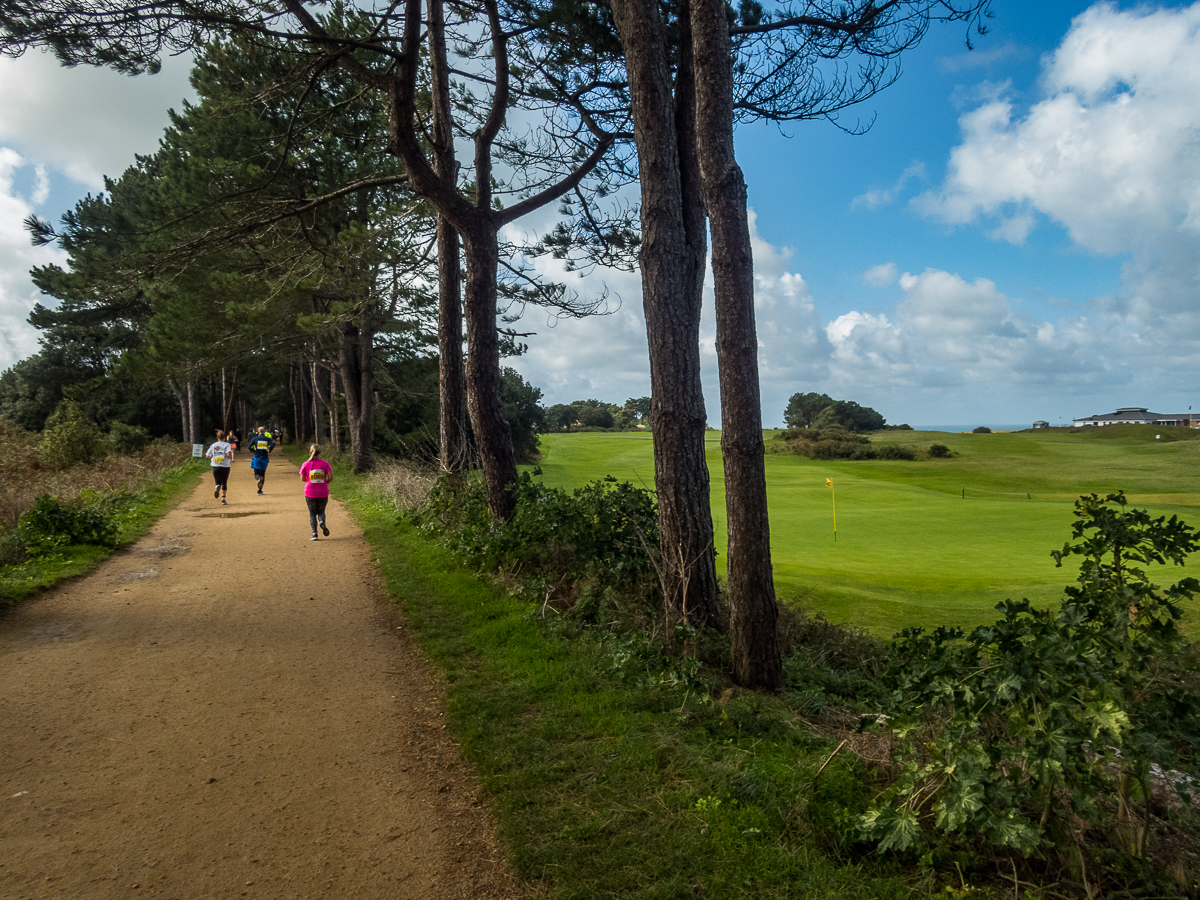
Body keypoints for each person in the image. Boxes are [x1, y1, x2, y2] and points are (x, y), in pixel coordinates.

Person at [298, 445, 333, 541]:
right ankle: (322, 521)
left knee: (312, 513)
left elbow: (302, 479)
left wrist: (309, 480)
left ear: (310, 452)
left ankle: (314, 534)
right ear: (320, 452)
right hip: (323, 491)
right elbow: (330, 477)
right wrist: (325, 482)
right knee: (321, 511)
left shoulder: (306, 464)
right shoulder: (326, 464)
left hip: (310, 492)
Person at [205, 429, 234, 505]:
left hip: (215, 465)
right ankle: (223, 499)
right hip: (225, 465)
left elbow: (207, 455)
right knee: (224, 482)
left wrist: (213, 456)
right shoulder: (226, 445)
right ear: (224, 438)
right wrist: (229, 457)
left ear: (217, 438)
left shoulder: (213, 445)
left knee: (217, 480)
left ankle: (217, 486)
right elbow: (228, 454)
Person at [246, 426, 274, 494]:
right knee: (263, 474)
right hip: (265, 458)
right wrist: (269, 450)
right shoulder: (267, 439)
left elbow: (249, 446)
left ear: (258, 432)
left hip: (257, 457)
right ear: (264, 432)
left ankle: (258, 478)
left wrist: (253, 451)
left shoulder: (255, 439)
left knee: (256, 473)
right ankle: (260, 490)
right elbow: (272, 445)